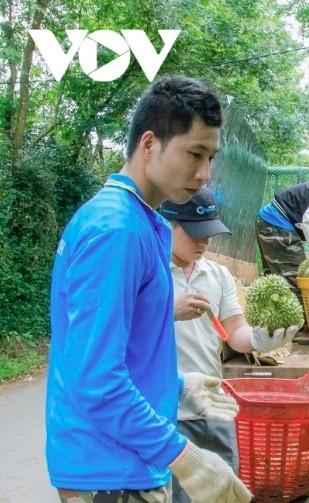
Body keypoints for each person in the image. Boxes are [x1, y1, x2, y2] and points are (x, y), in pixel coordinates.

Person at [47, 76, 252, 503]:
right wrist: (185, 458)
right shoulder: (116, 230)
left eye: (211, 157)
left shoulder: (140, 221)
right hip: (110, 469)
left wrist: (175, 386)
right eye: (194, 153)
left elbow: (122, 350)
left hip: (126, 461)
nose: (204, 174)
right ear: (149, 143)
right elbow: (97, 378)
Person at [159, 187, 302, 503]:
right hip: (170, 413)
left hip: (215, 409)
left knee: (227, 493)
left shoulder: (218, 274)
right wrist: (168, 311)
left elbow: (234, 331)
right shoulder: (150, 273)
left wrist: (261, 339)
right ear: (168, 224)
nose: (204, 242)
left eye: (209, 233)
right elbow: (122, 329)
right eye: (195, 233)